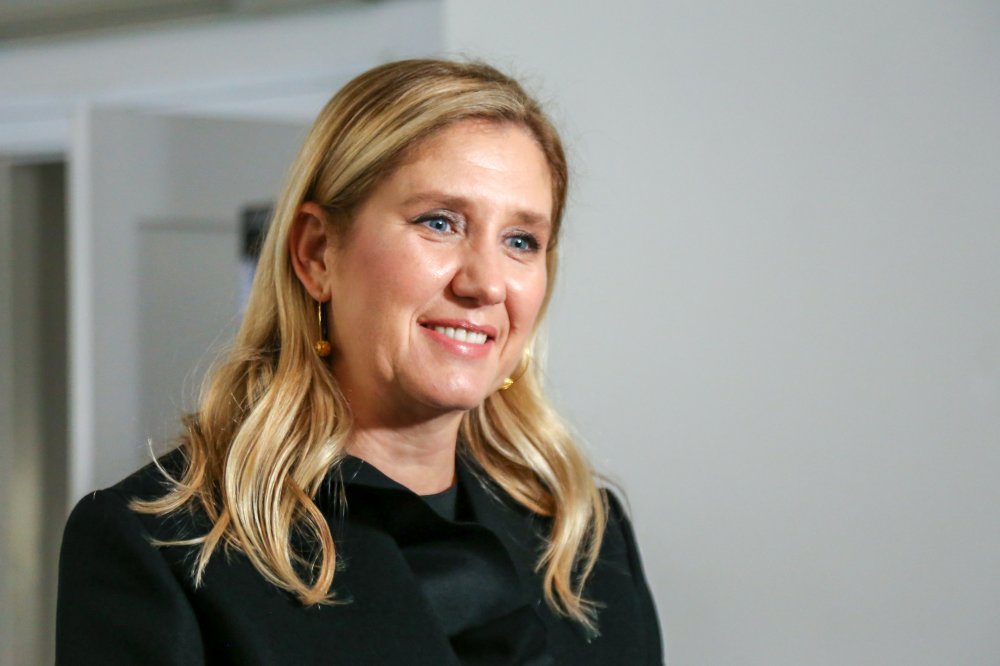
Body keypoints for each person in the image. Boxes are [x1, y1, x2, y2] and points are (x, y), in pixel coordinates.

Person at [56, 58, 663, 665]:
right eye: (439, 223)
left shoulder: (584, 536)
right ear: (317, 252)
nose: (486, 283)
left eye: (521, 241)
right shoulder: (163, 544)